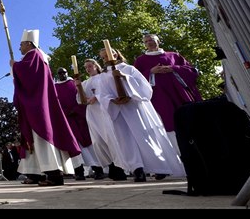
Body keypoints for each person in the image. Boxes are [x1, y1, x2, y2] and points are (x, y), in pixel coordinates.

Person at [97, 47, 186, 182]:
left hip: (134, 108)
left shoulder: (129, 69)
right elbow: (101, 94)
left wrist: (124, 78)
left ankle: (159, 167)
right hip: (117, 111)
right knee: (126, 142)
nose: (106, 59)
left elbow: (144, 86)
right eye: (103, 57)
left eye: (108, 55)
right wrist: (112, 100)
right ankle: (137, 169)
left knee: (145, 138)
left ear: (115, 54)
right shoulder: (102, 76)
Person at [10, 29, 81, 187]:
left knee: (42, 136)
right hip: (35, 101)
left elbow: (30, 75)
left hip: (37, 104)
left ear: (29, 44)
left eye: (21, 44)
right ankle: (35, 173)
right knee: (32, 139)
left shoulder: (34, 55)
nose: (19, 47)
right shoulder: (35, 56)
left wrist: (15, 66)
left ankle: (54, 174)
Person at [133, 33, 202, 152]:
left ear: (158, 41)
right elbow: (135, 80)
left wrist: (174, 68)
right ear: (144, 45)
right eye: (146, 41)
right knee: (169, 123)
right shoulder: (140, 60)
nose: (149, 42)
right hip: (159, 97)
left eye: (152, 39)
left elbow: (191, 71)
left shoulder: (173, 55)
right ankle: (179, 153)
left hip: (179, 94)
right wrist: (150, 71)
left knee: (189, 120)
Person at [75, 59, 128, 181]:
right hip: (92, 113)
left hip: (105, 110)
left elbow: (111, 91)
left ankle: (119, 168)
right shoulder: (85, 83)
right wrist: (78, 87)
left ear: (96, 66)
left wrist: (97, 97)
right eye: (86, 67)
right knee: (98, 141)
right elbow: (81, 101)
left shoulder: (104, 77)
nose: (88, 69)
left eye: (90, 66)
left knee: (111, 138)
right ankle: (110, 165)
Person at [55, 67, 103, 181]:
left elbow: (82, 96)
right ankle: (79, 172)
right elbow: (55, 103)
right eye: (60, 73)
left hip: (80, 119)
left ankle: (98, 170)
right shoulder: (55, 87)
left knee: (89, 144)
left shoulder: (74, 83)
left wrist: (76, 110)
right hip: (67, 121)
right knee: (74, 147)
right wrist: (65, 113)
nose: (62, 74)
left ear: (67, 72)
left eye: (64, 72)